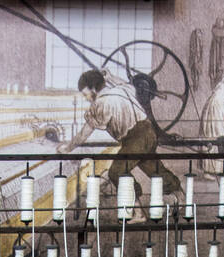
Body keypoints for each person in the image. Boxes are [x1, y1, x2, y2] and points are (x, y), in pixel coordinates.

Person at [57, 69, 182, 208]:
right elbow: (129, 84)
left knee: (117, 172)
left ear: (92, 89)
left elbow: (84, 133)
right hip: (149, 132)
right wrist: (111, 77)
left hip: (136, 138)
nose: (86, 98)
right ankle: (182, 199)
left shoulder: (101, 103)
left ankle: (136, 211)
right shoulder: (124, 89)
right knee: (154, 168)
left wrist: (68, 147)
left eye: (85, 94)